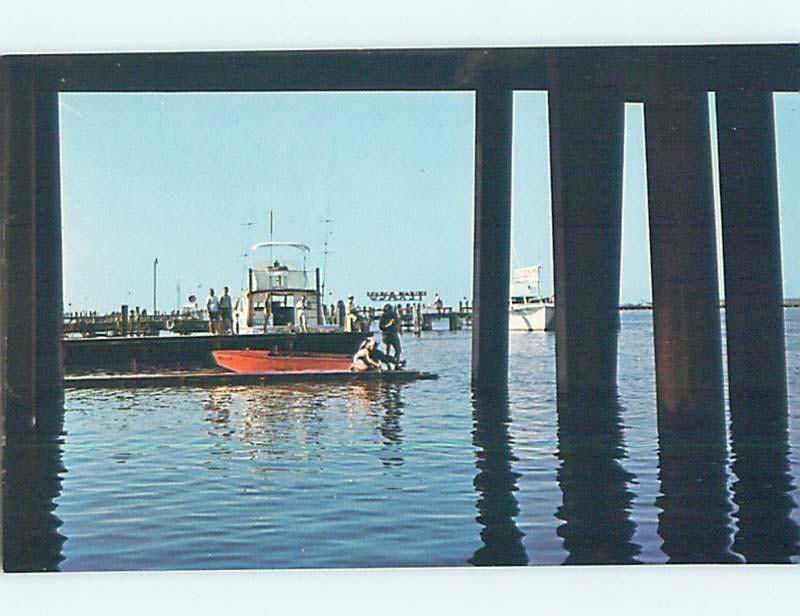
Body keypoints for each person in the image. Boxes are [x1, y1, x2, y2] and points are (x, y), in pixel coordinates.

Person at [378, 303, 403, 368]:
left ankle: (396, 364)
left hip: (394, 334)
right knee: (387, 351)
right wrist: (389, 324)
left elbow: (398, 323)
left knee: (398, 350)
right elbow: (381, 327)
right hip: (386, 335)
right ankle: (388, 366)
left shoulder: (394, 315)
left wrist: (399, 328)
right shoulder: (383, 316)